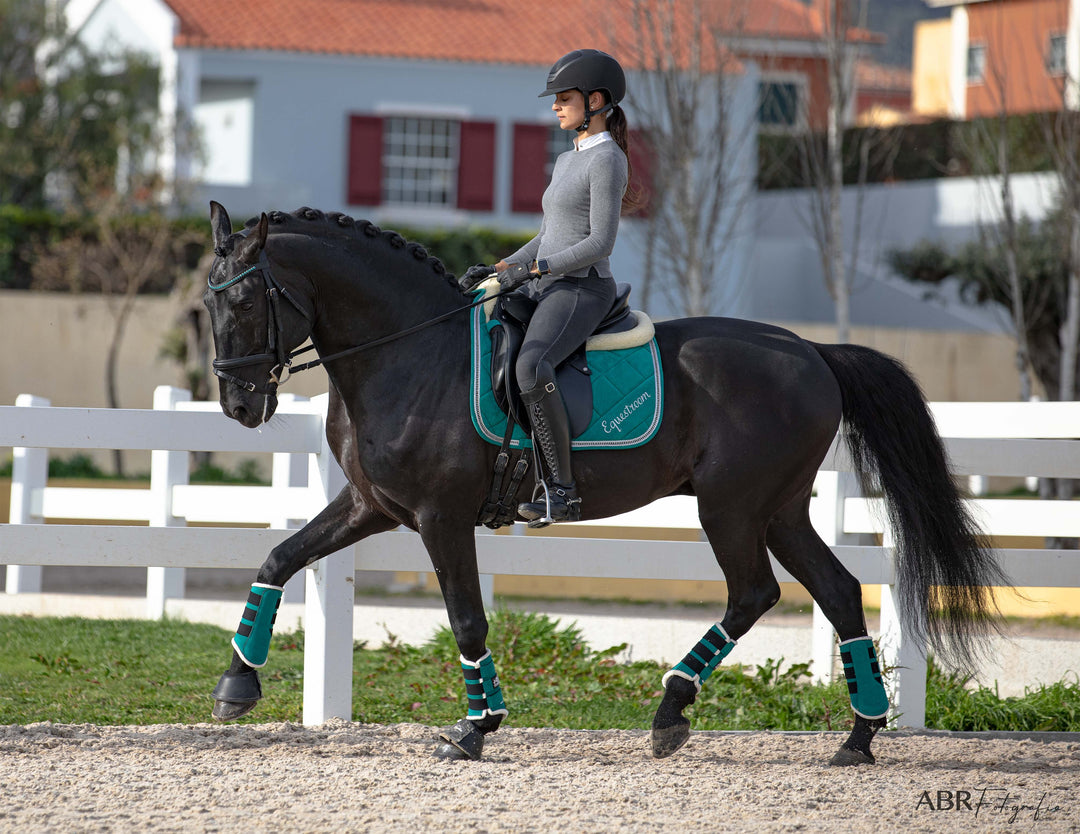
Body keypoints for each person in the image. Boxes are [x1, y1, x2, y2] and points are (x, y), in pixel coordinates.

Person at [461, 48, 637, 526]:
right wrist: (501, 267)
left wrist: (536, 270)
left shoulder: (608, 160)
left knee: (532, 364)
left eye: (564, 99)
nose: (555, 107)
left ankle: (562, 492)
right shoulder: (566, 160)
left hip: (582, 288)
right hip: (548, 283)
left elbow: (599, 243)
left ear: (595, 101)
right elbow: (548, 234)